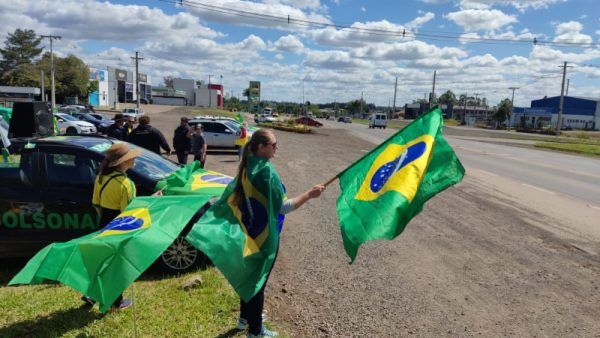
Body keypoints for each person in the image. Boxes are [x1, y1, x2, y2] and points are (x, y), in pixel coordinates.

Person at [233, 129, 325, 338]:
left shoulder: (248, 164)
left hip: (249, 230)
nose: (277, 148)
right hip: (264, 235)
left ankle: (244, 319)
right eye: (274, 145)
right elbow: (284, 207)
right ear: (261, 147)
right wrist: (310, 194)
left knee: (249, 277)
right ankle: (255, 331)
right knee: (258, 283)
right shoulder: (266, 172)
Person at [86, 143, 142, 310]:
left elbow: (96, 204)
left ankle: (91, 294)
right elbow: (128, 213)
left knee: (104, 261)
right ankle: (115, 303)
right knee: (117, 266)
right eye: (131, 156)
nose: (134, 158)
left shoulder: (101, 178)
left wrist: (105, 223)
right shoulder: (126, 183)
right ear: (123, 162)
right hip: (120, 226)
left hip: (104, 222)